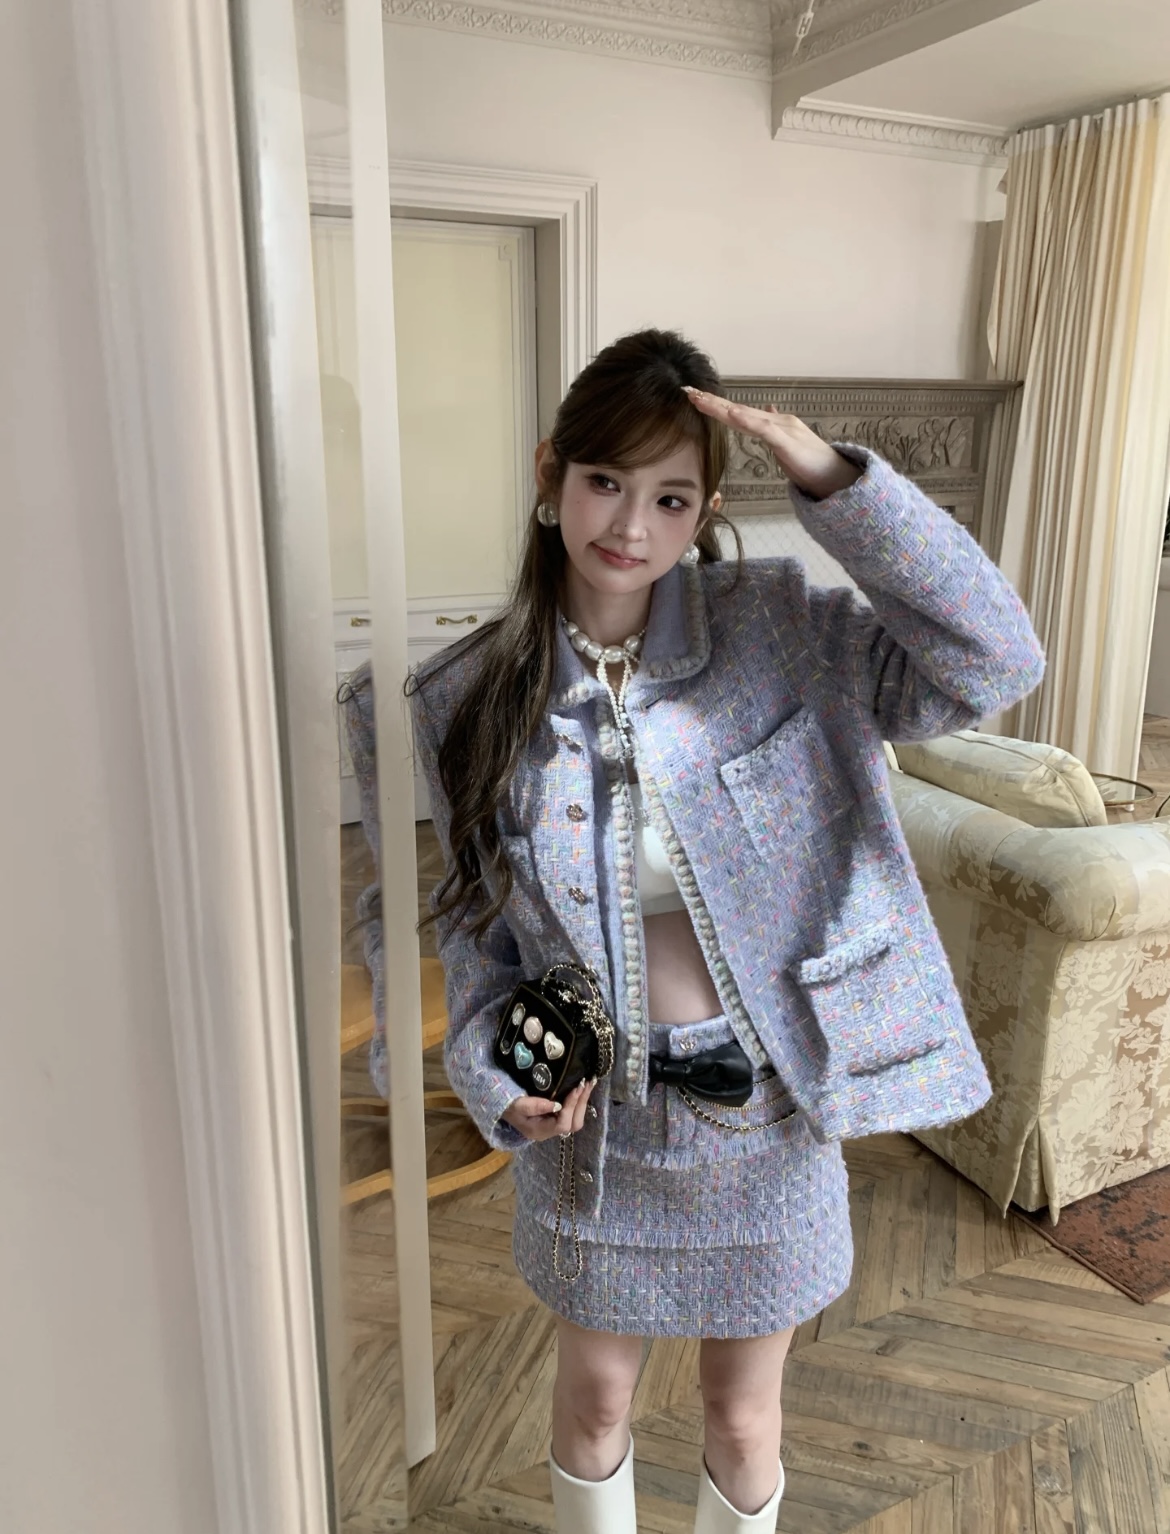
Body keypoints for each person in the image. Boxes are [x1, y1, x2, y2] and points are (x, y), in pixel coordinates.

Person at [407, 329, 1044, 1534]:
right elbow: (473, 939)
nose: (630, 525)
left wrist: (841, 490)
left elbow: (995, 659)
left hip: (767, 1115)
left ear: (704, 512)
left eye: (670, 497)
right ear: (550, 475)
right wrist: (498, 1078)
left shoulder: (781, 630)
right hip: (597, 1136)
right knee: (595, 1399)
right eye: (605, 481)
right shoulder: (468, 696)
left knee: (743, 1417)